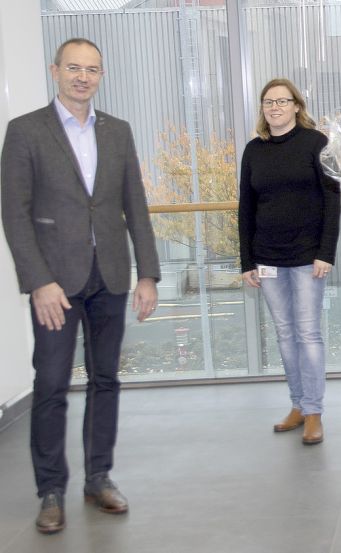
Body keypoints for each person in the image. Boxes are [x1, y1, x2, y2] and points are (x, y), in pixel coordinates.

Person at [0, 38, 160, 534]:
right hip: (55, 283)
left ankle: (98, 476)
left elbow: (135, 205)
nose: (82, 77)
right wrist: (38, 282)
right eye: (74, 68)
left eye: (92, 69)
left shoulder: (118, 132)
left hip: (109, 274)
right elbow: (14, 213)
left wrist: (148, 273)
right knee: (50, 384)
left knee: (105, 379)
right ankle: (50, 489)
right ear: (56, 71)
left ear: (101, 75)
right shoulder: (25, 131)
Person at [238, 78, 341, 446]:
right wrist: (246, 261)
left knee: (308, 334)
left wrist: (326, 252)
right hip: (267, 258)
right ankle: (297, 405)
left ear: (297, 106)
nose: (275, 108)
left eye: (282, 101)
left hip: (307, 256)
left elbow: (333, 201)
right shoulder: (254, 150)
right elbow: (245, 208)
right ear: (263, 109)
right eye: (268, 102)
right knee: (285, 334)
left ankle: (313, 412)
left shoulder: (316, 144)